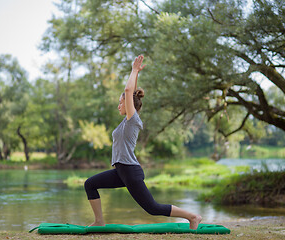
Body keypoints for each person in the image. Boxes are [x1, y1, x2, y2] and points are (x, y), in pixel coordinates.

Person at [84, 55, 202, 229]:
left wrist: (133, 71)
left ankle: (193, 217)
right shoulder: (126, 122)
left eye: (121, 102)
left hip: (130, 171)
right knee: (90, 184)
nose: (118, 105)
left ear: (129, 103)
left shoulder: (133, 121)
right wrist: (136, 73)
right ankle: (100, 221)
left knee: (153, 208)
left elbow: (128, 91)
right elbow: (131, 93)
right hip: (120, 171)